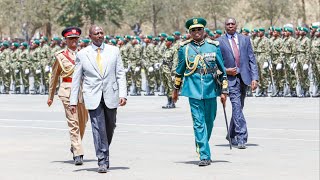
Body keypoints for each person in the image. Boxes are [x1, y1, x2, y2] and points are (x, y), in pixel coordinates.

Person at [69, 25, 127, 173]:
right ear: (90, 36)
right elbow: (76, 79)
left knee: (110, 126)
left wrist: (123, 94)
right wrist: (73, 101)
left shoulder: (114, 51)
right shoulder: (83, 54)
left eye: (101, 33)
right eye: (96, 33)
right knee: (97, 127)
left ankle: (104, 147)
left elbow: (120, 73)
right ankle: (102, 159)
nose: (100, 35)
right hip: (92, 95)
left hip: (111, 94)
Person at [172, 17, 228, 166]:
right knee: (198, 123)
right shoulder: (184, 48)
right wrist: (175, 90)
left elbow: (222, 71)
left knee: (209, 121)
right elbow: (179, 71)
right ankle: (204, 154)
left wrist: (224, 91)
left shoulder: (213, 46)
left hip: (211, 89)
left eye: (199, 29)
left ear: (203, 30)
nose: (196, 32)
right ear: (189, 32)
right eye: (193, 30)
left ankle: (201, 142)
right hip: (193, 90)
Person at [47, 27, 88, 165]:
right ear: (66, 40)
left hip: (83, 93)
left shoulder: (85, 54)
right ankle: (78, 152)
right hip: (67, 91)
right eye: (71, 39)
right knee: (73, 123)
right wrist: (50, 95)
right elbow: (54, 77)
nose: (74, 41)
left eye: (76, 39)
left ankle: (75, 144)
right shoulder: (60, 56)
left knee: (82, 122)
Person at [217, 18, 259, 149]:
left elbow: (251, 59)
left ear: (236, 25)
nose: (230, 26)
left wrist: (255, 78)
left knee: (239, 107)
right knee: (236, 106)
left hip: (244, 78)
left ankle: (230, 133)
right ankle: (241, 137)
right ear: (225, 26)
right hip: (230, 79)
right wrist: (226, 71)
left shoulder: (245, 39)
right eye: (228, 24)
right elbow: (216, 64)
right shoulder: (219, 42)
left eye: (232, 24)